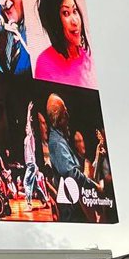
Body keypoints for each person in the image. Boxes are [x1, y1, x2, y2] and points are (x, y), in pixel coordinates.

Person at [33, 0, 95, 88]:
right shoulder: (45, 64)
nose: (75, 21)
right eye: (66, 13)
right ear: (54, 20)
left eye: (75, 11)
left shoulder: (88, 55)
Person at [45, 93, 98, 222]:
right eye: (65, 113)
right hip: (73, 215)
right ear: (58, 117)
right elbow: (71, 174)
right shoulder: (57, 143)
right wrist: (95, 187)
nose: (68, 117)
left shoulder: (60, 140)